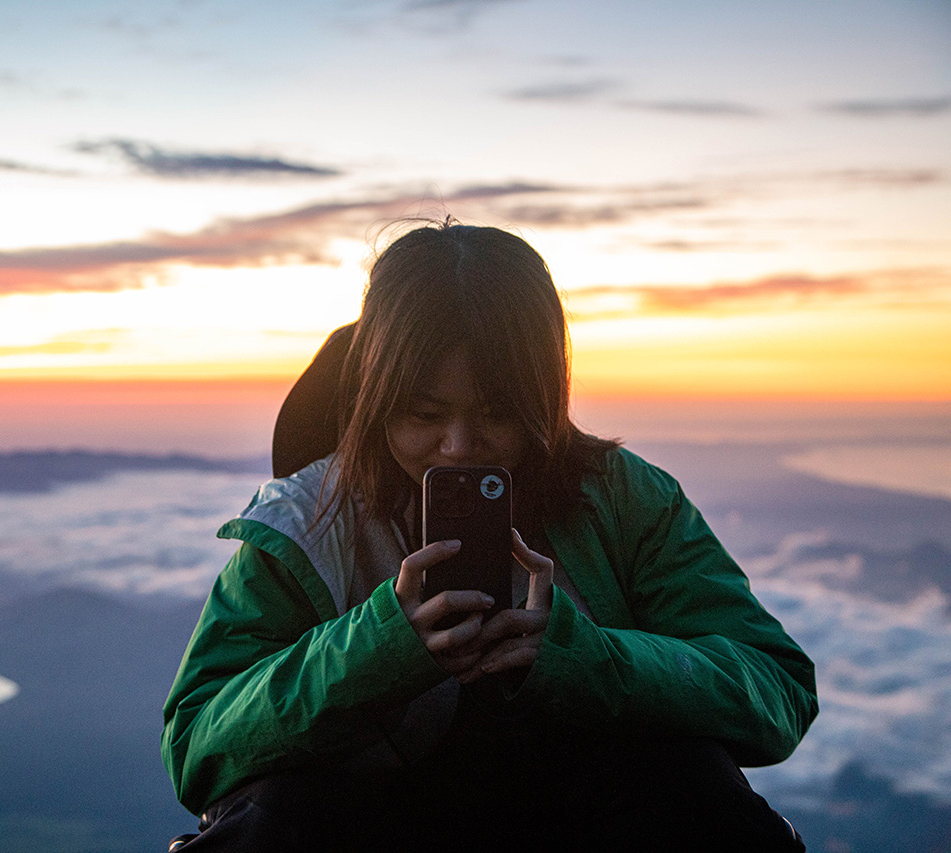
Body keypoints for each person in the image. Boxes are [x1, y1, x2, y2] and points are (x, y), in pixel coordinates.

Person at [161, 221, 817, 850]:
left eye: (498, 413)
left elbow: (775, 688)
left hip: (589, 819)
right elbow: (200, 743)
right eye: (424, 413)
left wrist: (583, 658)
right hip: (369, 824)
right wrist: (376, 648)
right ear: (375, 395)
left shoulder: (622, 500)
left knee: (694, 783)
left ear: (543, 397)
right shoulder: (303, 524)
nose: (459, 447)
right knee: (275, 814)